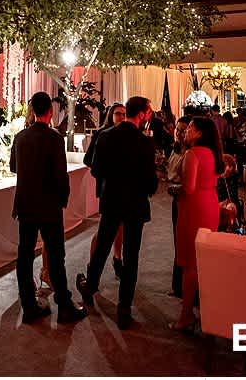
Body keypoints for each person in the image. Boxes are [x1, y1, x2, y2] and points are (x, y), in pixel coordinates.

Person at [76, 96, 158, 330]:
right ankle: (124, 308)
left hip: (112, 199)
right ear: (141, 114)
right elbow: (151, 181)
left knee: (103, 245)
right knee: (131, 255)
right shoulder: (145, 142)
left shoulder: (106, 136)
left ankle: (90, 287)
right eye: (148, 112)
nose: (149, 116)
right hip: (135, 203)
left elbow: (96, 170)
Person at [10, 92, 87, 324]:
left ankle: (29, 307)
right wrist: (63, 199)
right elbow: (61, 175)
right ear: (50, 112)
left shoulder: (20, 137)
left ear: (32, 110)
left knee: (25, 256)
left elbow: (13, 167)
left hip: (26, 204)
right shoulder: (54, 138)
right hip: (49, 205)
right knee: (56, 256)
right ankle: (64, 305)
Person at [171, 116, 224, 331]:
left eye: (190, 128)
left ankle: (186, 315)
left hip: (194, 208)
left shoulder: (193, 154)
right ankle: (204, 310)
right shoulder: (212, 153)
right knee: (202, 259)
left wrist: (173, 188)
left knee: (190, 263)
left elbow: (189, 187)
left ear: (200, 133)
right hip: (210, 204)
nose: (186, 131)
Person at [83, 103, 127, 280]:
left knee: (120, 226)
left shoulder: (126, 134)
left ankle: (117, 258)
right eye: (118, 113)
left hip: (121, 188)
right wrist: (105, 171)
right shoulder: (102, 134)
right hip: (106, 188)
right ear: (111, 115)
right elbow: (89, 160)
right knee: (104, 229)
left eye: (124, 114)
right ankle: (93, 263)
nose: (121, 117)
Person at [166, 115, 191, 297]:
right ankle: (177, 285)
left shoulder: (191, 153)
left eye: (183, 130)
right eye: (177, 129)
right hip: (175, 197)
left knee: (184, 241)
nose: (179, 133)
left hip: (185, 197)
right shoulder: (174, 149)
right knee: (177, 240)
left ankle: (184, 286)